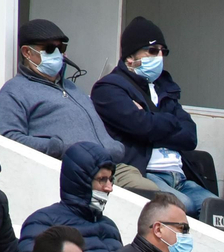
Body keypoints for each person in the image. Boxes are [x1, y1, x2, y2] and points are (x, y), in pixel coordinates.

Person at [91, 17, 214, 211]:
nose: (159, 57)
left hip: (180, 177)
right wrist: (167, 123)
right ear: (130, 57)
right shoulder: (109, 87)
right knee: (184, 207)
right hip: (146, 173)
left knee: (218, 210)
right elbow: (140, 126)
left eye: (162, 52)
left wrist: (152, 121)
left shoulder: (166, 88)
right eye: (152, 51)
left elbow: (190, 136)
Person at [0, 21, 124, 161]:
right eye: (49, 48)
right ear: (27, 52)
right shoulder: (14, 92)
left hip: (111, 165)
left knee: (142, 181)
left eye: (60, 48)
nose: (57, 54)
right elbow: (9, 140)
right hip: (73, 170)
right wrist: (56, 147)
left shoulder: (73, 88)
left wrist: (114, 146)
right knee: (143, 184)